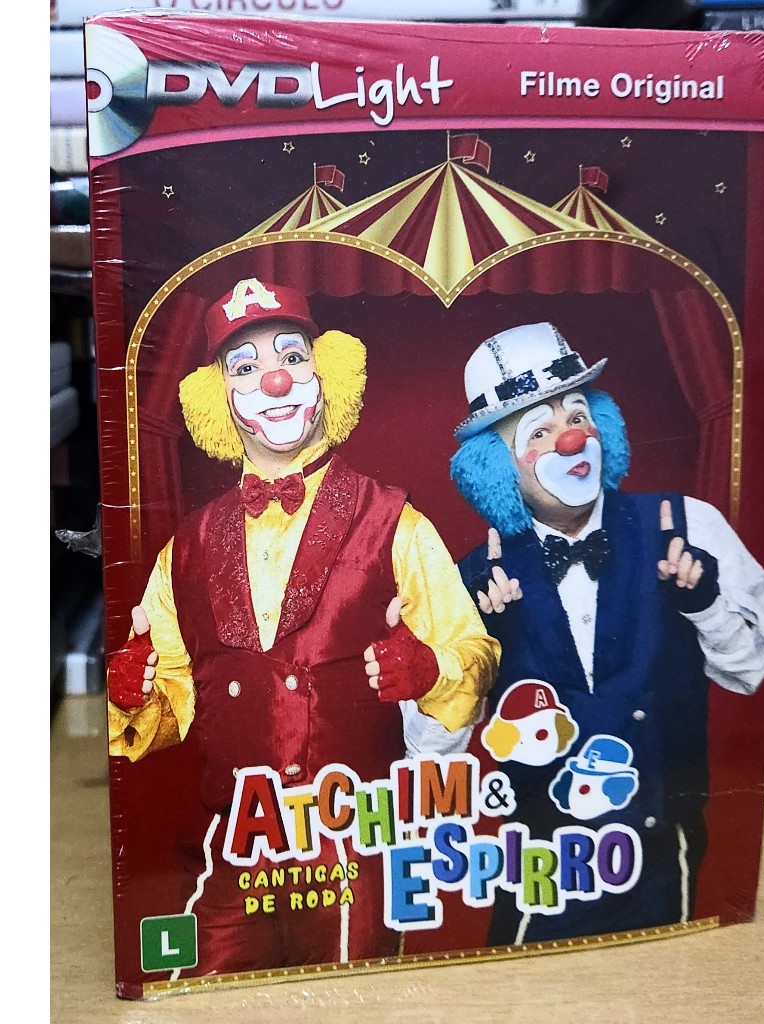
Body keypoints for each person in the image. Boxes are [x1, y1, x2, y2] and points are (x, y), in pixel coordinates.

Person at [106, 276, 500, 976]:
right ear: (217, 398)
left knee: (353, 1003)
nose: (275, 380)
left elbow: (475, 652)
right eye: (245, 367)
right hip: (237, 849)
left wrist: (429, 670)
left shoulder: (395, 522)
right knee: (211, 995)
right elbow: (173, 706)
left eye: (291, 356)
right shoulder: (185, 548)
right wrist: (135, 694)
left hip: (354, 851)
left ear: (328, 374)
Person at [449, 321, 764, 946]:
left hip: (669, 862)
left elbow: (752, 670)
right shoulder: (475, 575)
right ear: (496, 467)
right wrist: (478, 646)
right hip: (537, 874)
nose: (570, 438)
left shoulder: (687, 525)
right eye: (538, 432)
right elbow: (435, 746)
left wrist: (704, 603)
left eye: (577, 416)